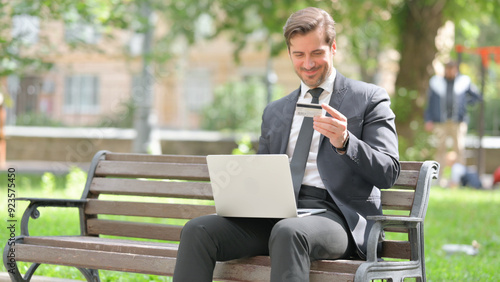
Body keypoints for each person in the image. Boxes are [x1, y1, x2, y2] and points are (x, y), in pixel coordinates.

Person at [173, 7, 400, 281]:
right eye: (299, 54)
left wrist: (346, 142)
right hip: (277, 214)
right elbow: (262, 175)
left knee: (289, 231)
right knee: (198, 230)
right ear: (290, 53)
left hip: (338, 219)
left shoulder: (368, 99)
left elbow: (388, 172)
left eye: (317, 53)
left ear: (333, 48)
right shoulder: (276, 110)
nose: (308, 64)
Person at [424, 61, 482, 178]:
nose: (450, 71)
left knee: (459, 149)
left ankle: (458, 178)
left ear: (456, 70)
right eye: (448, 68)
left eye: (452, 69)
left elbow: (477, 96)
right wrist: (428, 119)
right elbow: (429, 102)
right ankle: (438, 178)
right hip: (440, 122)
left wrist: (465, 102)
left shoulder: (464, 82)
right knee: (440, 149)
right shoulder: (436, 82)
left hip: (458, 122)